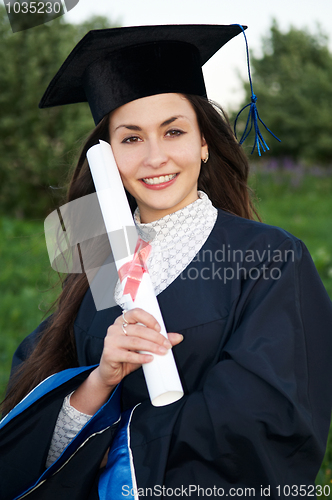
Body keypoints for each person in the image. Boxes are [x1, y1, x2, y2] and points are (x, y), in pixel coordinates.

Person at [1, 24, 332, 500]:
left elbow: (265, 419)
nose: (155, 157)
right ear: (109, 156)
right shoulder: (97, 258)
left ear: (203, 143)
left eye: (173, 131)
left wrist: (111, 453)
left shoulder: (269, 259)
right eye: (131, 139)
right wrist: (100, 380)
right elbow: (33, 393)